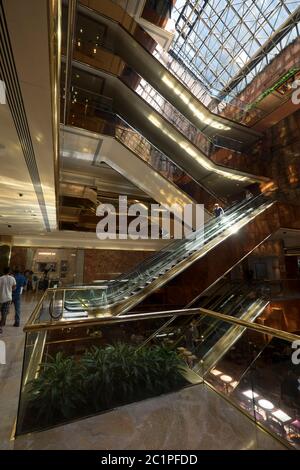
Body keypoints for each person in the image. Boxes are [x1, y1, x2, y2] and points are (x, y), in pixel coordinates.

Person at [0, 267, 16, 333]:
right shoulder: (12, 278)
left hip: (1, 298)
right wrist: (9, 290)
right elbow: (14, 287)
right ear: (9, 272)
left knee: (2, 312)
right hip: (8, 298)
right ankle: (1, 326)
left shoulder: (0, 278)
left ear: (3, 271)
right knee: (4, 313)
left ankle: (1, 324)